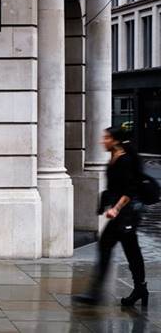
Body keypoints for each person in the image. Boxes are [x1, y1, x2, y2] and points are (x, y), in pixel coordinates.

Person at [74, 126, 147, 306]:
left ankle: (98, 293)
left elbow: (130, 189)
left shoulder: (125, 160)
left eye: (106, 138)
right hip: (121, 215)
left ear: (115, 140)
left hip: (126, 215)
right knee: (126, 251)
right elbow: (116, 187)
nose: (102, 141)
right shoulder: (114, 158)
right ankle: (138, 288)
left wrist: (116, 208)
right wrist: (105, 203)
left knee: (120, 249)